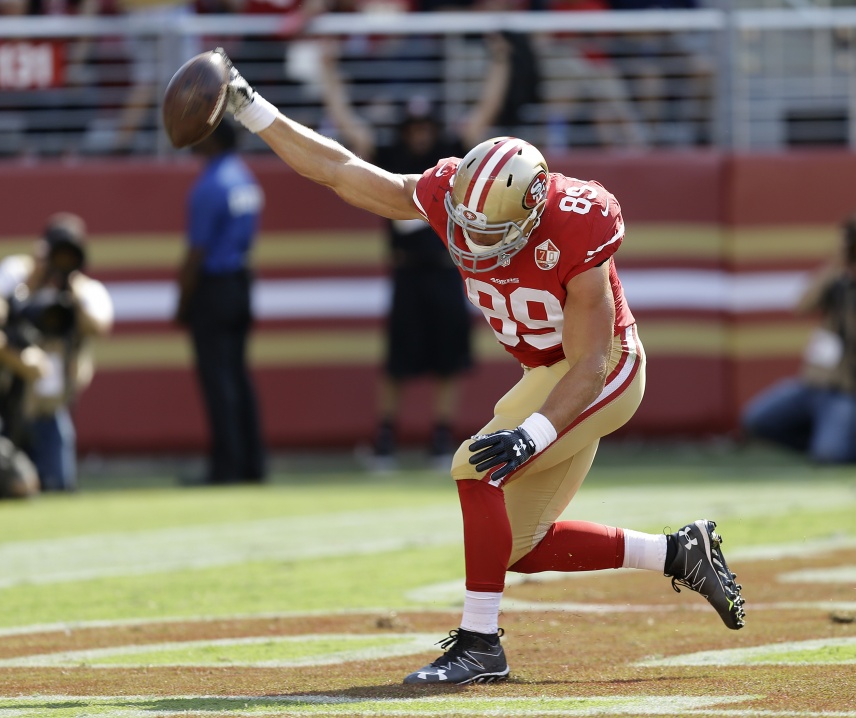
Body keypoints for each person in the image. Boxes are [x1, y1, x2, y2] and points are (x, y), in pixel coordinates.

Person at [214, 47, 745, 684]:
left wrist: (535, 432)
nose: (470, 241)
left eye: (489, 231)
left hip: (603, 373)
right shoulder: (454, 193)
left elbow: (591, 360)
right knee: (514, 545)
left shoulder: (579, 226)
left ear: (531, 214)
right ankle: (680, 553)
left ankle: (479, 646)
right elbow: (342, 170)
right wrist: (251, 108)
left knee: (475, 464)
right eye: (463, 222)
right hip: (548, 374)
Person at [321, 46, 479, 470]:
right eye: (413, 126)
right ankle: (386, 438)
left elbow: (483, 117)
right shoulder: (391, 158)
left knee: (449, 360)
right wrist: (329, 75)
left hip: (447, 272)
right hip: (407, 273)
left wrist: (500, 66)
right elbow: (351, 134)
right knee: (398, 361)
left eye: (425, 125)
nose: (420, 133)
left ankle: (441, 438)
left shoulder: (451, 156)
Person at [741, 207, 856, 465]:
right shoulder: (838, 283)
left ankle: (853, 440)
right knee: (756, 419)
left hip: (853, 392)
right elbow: (800, 306)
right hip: (813, 385)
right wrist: (835, 263)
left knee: (829, 455)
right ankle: (834, 438)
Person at [175, 117, 267, 485]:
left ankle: (226, 467)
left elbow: (196, 252)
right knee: (239, 377)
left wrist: (182, 301)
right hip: (242, 282)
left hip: (214, 287)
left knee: (218, 381)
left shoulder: (209, 185)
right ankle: (252, 463)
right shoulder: (245, 178)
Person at [0, 212, 114, 491]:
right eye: (56, 255)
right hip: (10, 404)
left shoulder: (83, 291)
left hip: (51, 410)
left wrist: (73, 294)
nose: (60, 265)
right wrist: (29, 286)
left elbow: (101, 324)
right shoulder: (18, 274)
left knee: (58, 489)